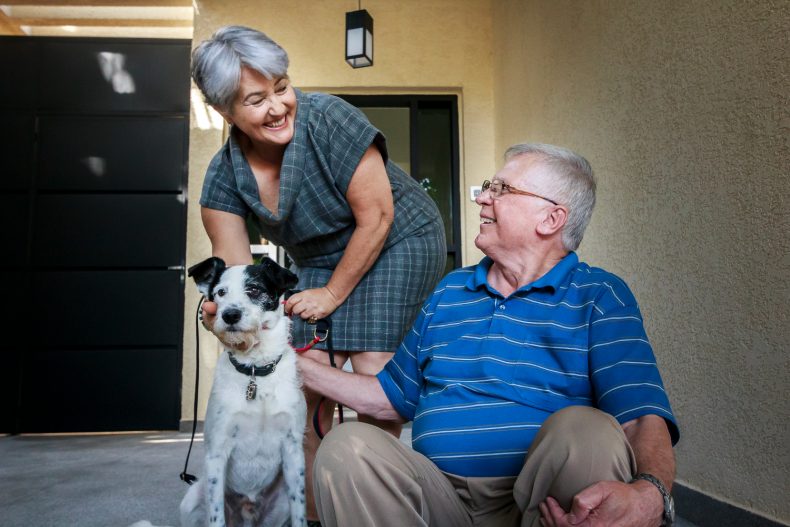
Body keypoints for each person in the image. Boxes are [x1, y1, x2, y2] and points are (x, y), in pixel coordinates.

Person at [299, 143, 680, 527]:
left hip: (542, 502)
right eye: (487, 187)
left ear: (550, 219)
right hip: (438, 497)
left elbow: (640, 417)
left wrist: (651, 494)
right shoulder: (451, 290)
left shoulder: (599, 295)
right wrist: (294, 366)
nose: (482, 199)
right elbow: (390, 397)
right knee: (347, 447)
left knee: (590, 430)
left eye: (502, 189)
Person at [191, 25, 447, 524]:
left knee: (372, 360)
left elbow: (378, 217)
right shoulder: (222, 177)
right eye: (257, 99)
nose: (278, 106)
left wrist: (331, 294)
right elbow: (235, 272)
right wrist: (224, 315)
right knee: (294, 382)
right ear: (226, 112)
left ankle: (374, 496)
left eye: (282, 87)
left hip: (398, 237)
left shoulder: (329, 119)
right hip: (319, 257)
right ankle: (311, 513)